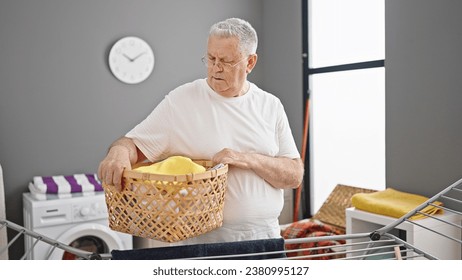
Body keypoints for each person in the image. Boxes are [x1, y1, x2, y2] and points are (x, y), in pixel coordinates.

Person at [98, 18, 304, 244]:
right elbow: (132, 145)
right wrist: (117, 152)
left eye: (226, 61)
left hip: (266, 238)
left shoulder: (270, 105)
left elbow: (294, 174)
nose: (215, 68)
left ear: (250, 62)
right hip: (202, 245)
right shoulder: (180, 101)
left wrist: (246, 159)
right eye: (211, 58)